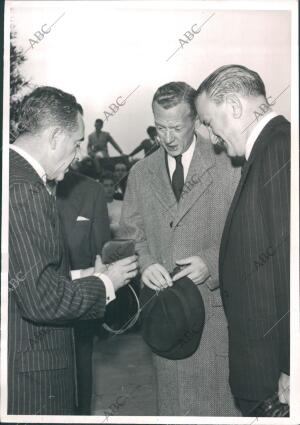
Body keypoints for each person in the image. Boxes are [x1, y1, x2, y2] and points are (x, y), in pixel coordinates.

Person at [8, 86, 138, 415]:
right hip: (32, 381)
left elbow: (22, 278)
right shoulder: (26, 189)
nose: (80, 153)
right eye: (76, 142)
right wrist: (107, 283)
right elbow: (42, 300)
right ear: (54, 137)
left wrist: (82, 276)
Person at [119, 81, 241, 415]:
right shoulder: (140, 174)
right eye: (160, 128)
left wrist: (211, 262)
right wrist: (144, 263)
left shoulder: (229, 165)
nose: (167, 137)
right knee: (175, 408)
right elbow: (131, 234)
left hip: (217, 320)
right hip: (167, 320)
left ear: (197, 121)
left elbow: (246, 235)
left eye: (176, 127)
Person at [195, 64, 290, 416]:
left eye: (207, 121)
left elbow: (290, 267)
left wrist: (291, 366)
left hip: (275, 378)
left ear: (234, 106)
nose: (210, 135)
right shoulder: (268, 150)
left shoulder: (279, 149)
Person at [56, 169, 110, 415]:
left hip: (79, 311)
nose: (76, 154)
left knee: (79, 387)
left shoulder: (92, 190)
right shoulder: (18, 184)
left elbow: (102, 256)